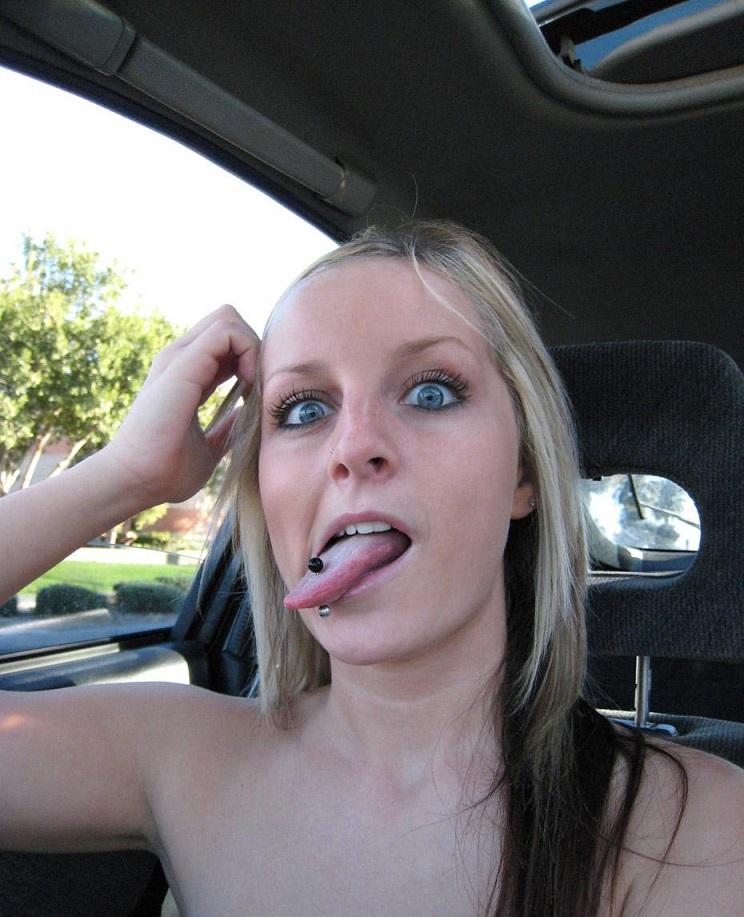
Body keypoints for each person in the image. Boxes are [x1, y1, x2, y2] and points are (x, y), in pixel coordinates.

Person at [0, 222, 742, 917]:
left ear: (523, 473)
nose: (354, 445)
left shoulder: (695, 829)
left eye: (430, 392)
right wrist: (126, 475)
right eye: (303, 409)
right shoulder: (178, 754)